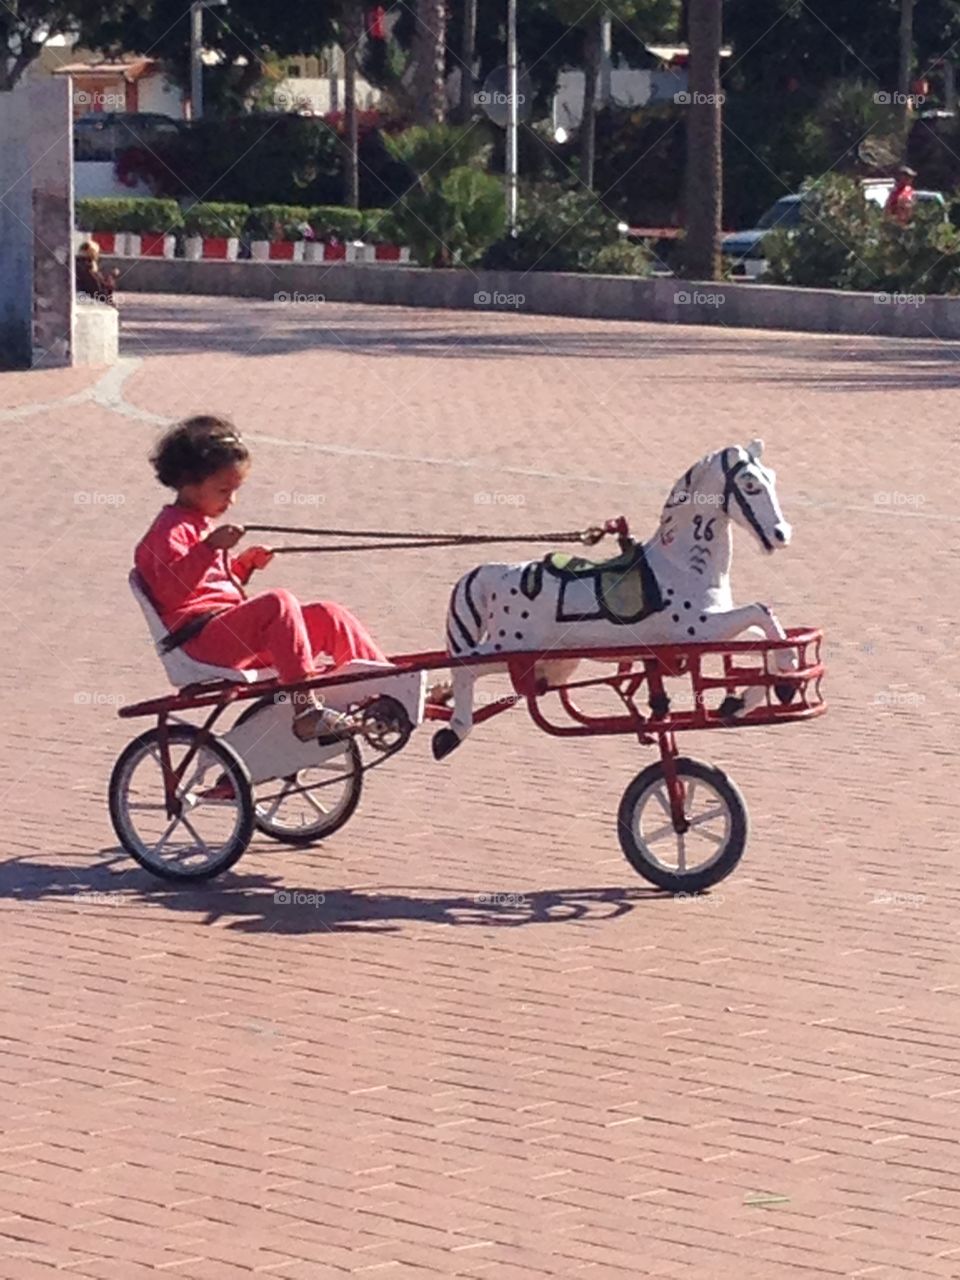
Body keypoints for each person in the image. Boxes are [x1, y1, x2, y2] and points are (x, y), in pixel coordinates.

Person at [135, 415, 387, 744]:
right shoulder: (167, 532)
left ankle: (388, 687)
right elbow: (171, 593)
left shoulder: (198, 524)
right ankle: (305, 709)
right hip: (200, 644)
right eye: (223, 491)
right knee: (278, 603)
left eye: (235, 491)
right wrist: (210, 548)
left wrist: (243, 566)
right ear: (187, 483)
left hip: (224, 633)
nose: (231, 501)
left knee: (328, 615)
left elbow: (211, 586)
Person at [75, 240, 119, 306]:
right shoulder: (88, 267)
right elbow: (97, 289)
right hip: (89, 299)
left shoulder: (77, 264)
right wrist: (111, 278)